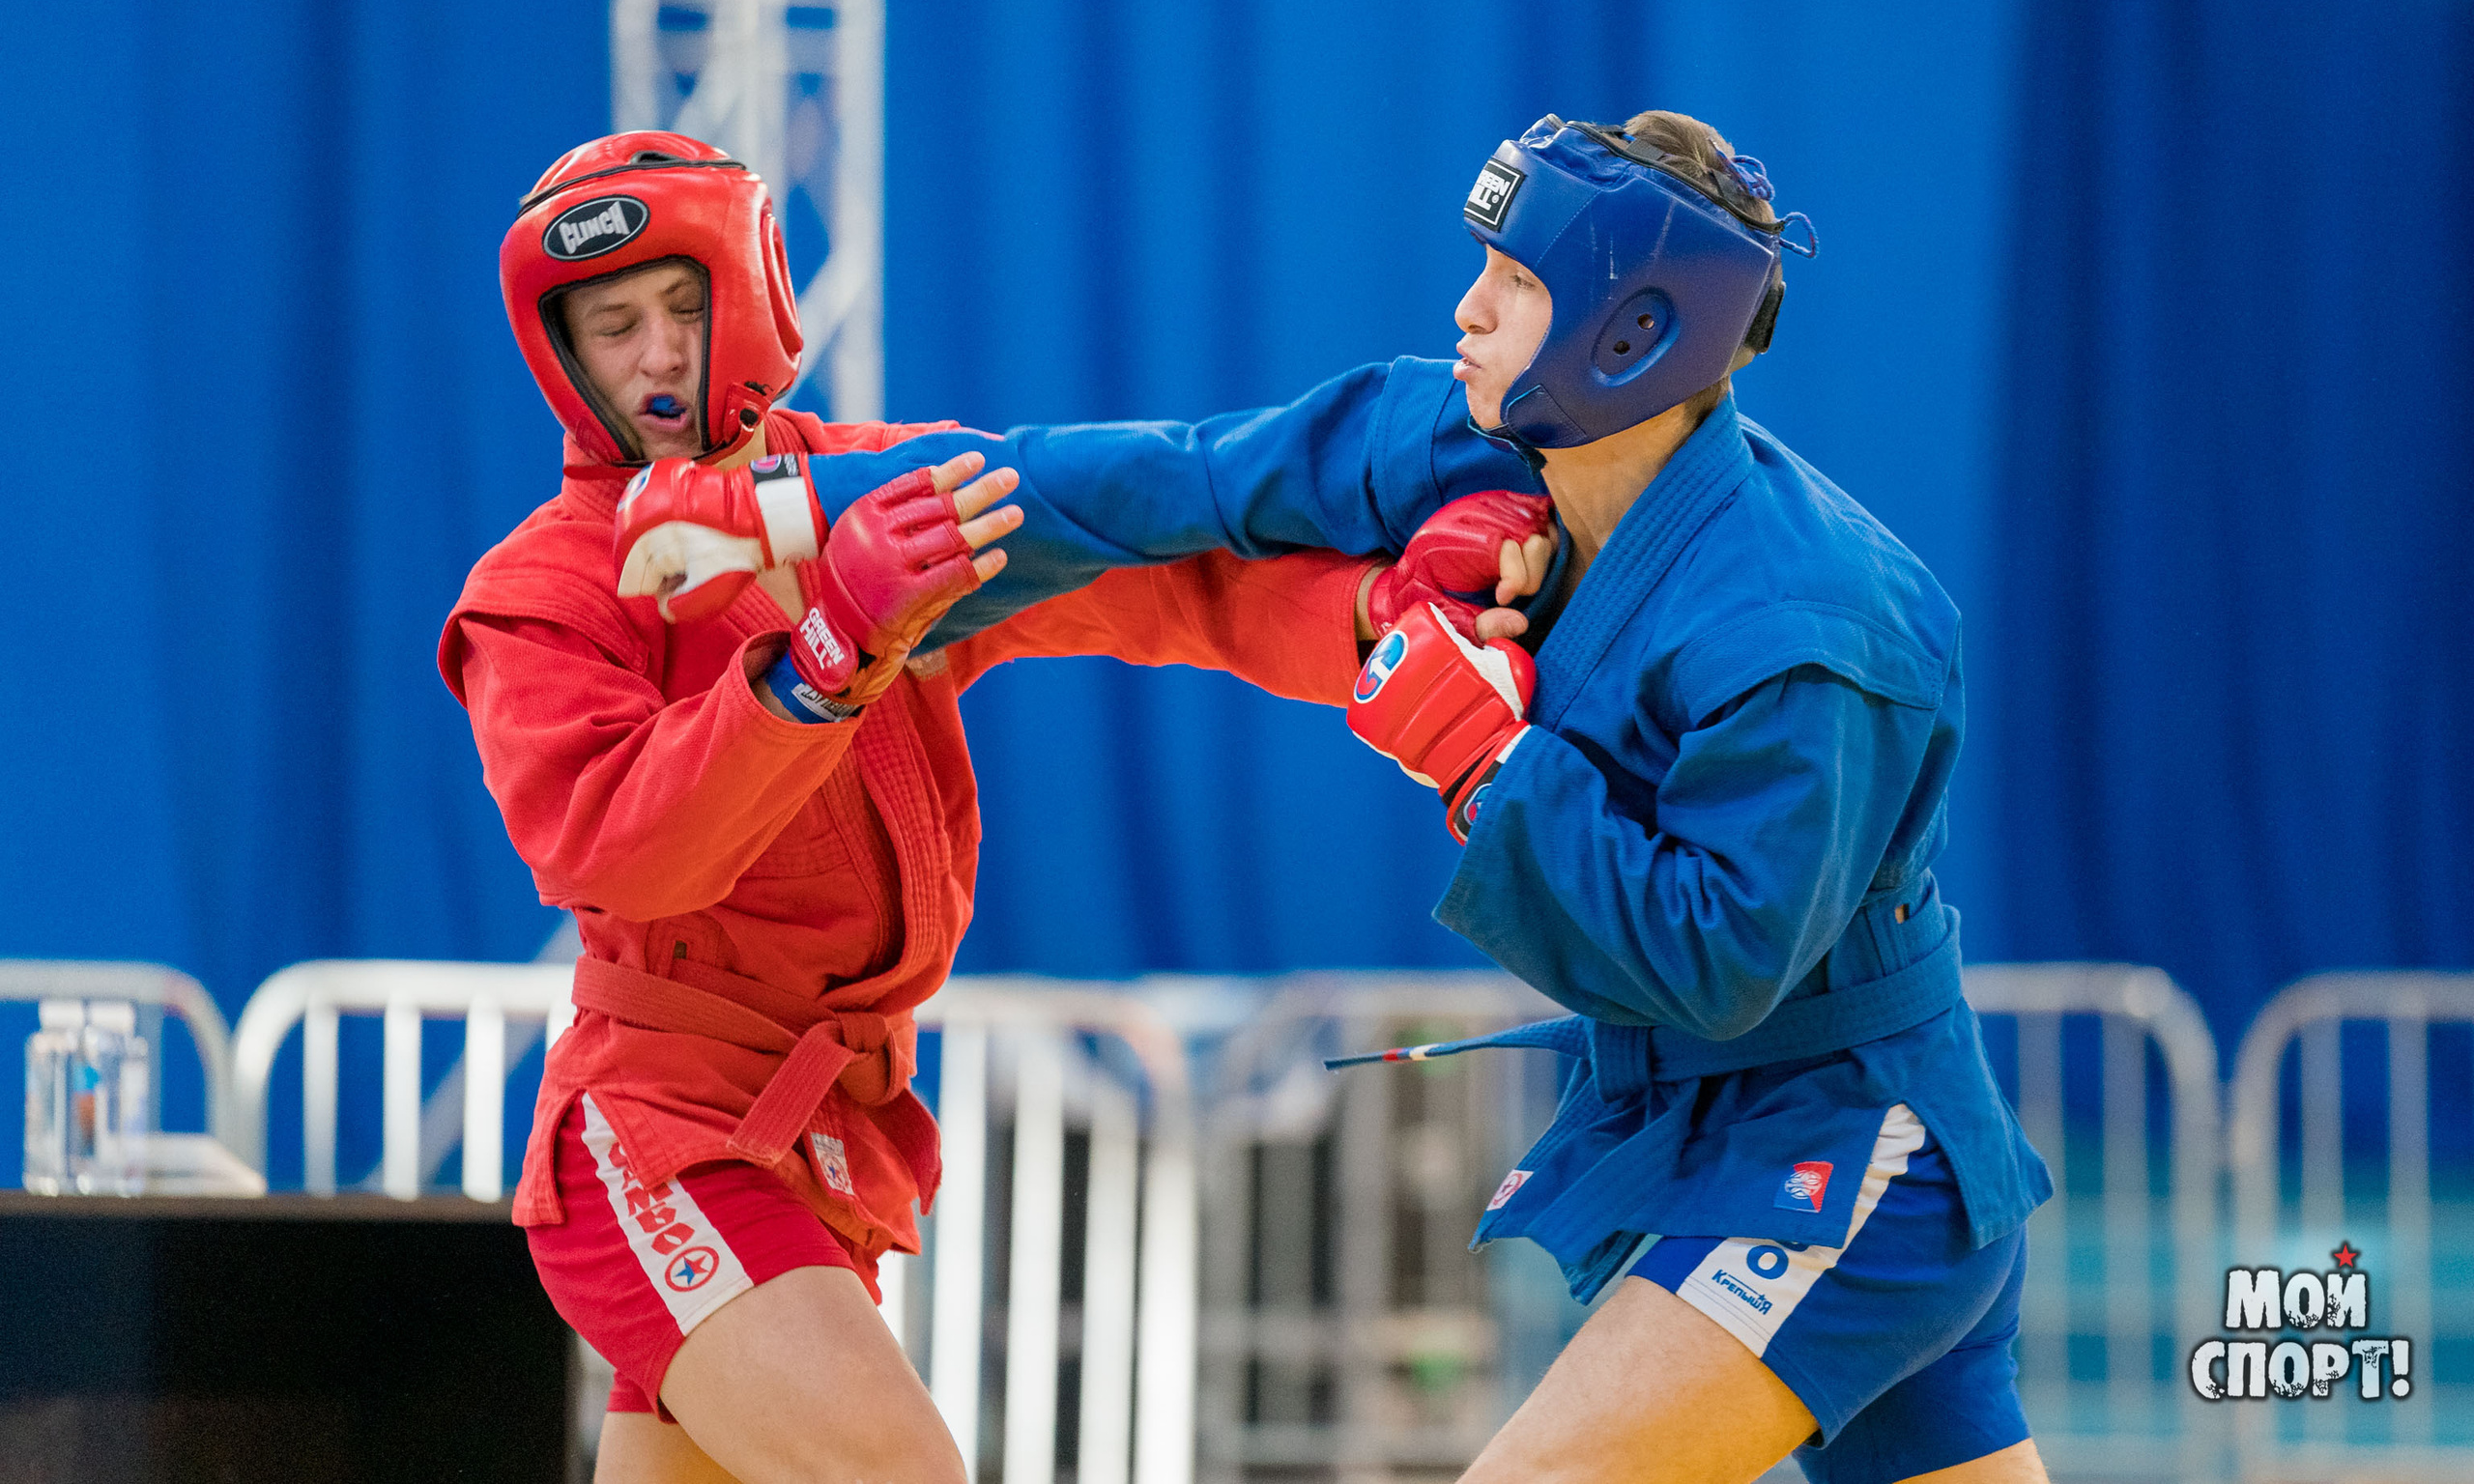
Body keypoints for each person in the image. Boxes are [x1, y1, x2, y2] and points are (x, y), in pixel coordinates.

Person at [442, 129, 1552, 1484]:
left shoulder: (865, 488)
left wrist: (1376, 614)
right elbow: (621, 852)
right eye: (614, 328)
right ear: (559, 353)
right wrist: (825, 655)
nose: (660, 357)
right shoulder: (541, 589)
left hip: (822, 1135)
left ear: (752, 287)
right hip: (667, 1134)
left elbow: (1151, 579)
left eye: (685, 304)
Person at [1338, 113, 2055, 1484]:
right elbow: (1223, 478)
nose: (1467, 309)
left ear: (1633, 332)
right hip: (1796, 1131)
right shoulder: (1562, 505)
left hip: (1847, 1158)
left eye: (1517, 280)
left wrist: (1493, 764)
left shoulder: (1806, 611)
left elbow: (1725, 959)